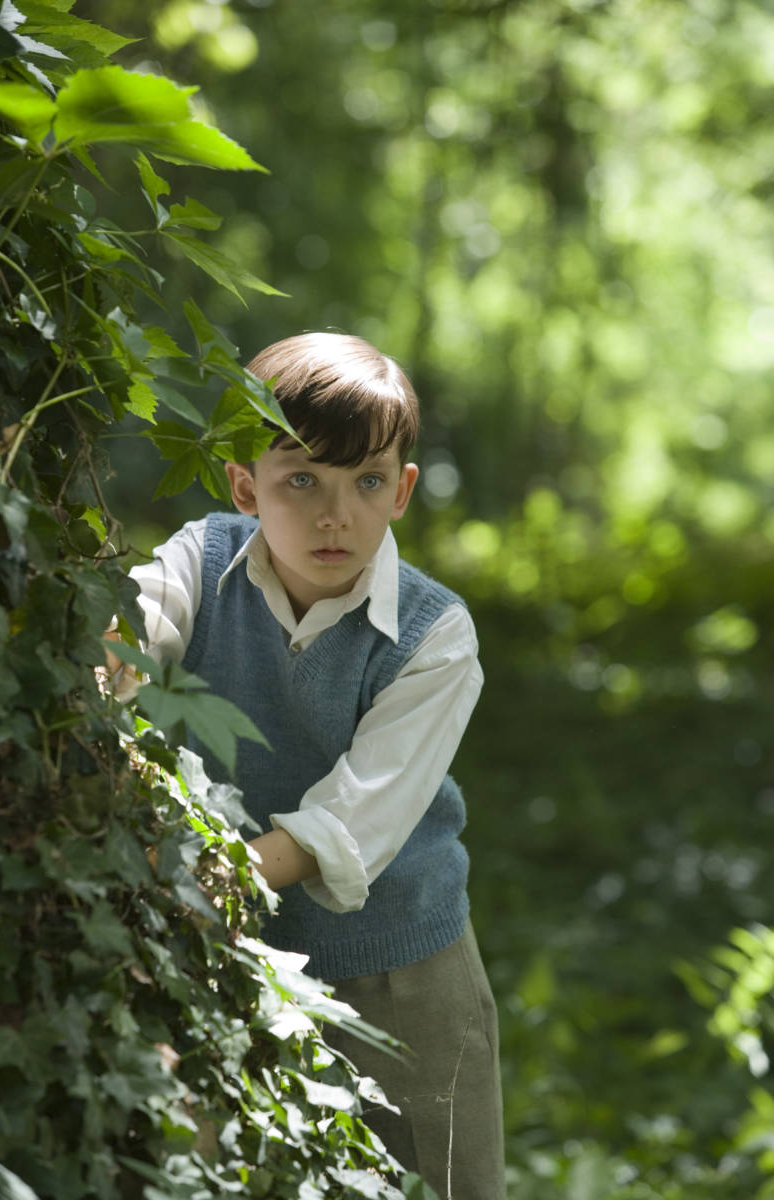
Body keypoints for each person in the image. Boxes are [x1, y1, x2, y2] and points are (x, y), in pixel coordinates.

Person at [116, 332, 505, 1198]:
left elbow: (356, 814)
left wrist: (204, 877)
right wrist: (101, 664)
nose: (336, 515)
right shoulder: (200, 560)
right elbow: (127, 635)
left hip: (399, 968)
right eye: (302, 480)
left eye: (366, 482)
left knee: (437, 1178)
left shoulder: (434, 635)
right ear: (245, 486)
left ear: (401, 490)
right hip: (224, 953)